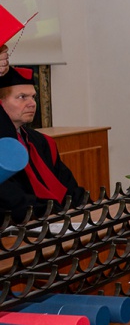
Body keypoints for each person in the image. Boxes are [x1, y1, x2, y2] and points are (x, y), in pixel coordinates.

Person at [0, 66, 87, 222]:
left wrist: (88, 207)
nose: (32, 103)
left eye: (33, 97)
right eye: (22, 97)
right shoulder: (4, 147)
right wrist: (55, 215)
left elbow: (69, 187)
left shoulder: (42, 142)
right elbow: (13, 201)